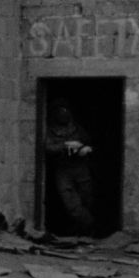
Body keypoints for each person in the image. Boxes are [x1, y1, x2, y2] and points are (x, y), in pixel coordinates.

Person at [44, 100, 95, 236]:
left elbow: (90, 143)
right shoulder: (49, 130)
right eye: (60, 111)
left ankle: (82, 231)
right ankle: (89, 225)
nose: (64, 114)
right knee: (71, 204)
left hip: (81, 168)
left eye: (66, 111)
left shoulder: (77, 129)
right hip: (63, 169)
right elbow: (46, 147)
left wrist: (85, 149)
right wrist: (65, 145)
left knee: (87, 200)